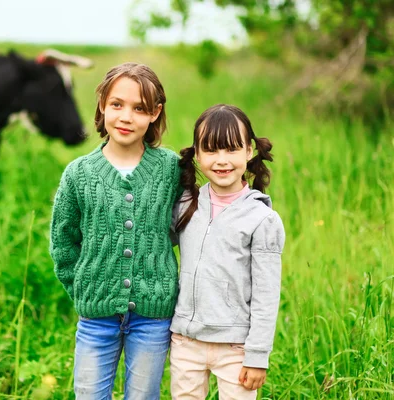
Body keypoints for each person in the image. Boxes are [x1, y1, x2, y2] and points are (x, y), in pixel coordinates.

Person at [49, 62, 182, 400]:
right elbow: (63, 241)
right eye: (117, 105)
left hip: (152, 316)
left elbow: (185, 226)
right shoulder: (79, 173)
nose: (126, 117)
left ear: (155, 113)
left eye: (140, 108)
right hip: (96, 318)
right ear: (102, 106)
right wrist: (82, 287)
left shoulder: (170, 169)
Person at [170, 104, 286, 399]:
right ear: (197, 155)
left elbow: (266, 294)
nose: (222, 161)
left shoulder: (261, 219)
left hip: (236, 347)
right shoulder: (185, 205)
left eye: (231, 150)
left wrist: (257, 355)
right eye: (210, 150)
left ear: (249, 151)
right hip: (187, 340)